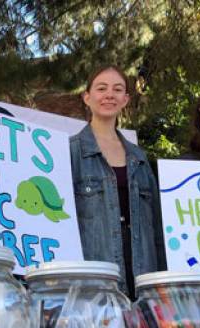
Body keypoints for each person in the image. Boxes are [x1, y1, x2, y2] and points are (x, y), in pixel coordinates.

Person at [70, 66, 165, 296]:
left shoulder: (139, 157)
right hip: (96, 283)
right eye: (101, 88)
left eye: (117, 89)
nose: (109, 95)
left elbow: (157, 225)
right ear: (87, 97)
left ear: (125, 99)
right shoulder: (70, 151)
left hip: (143, 279)